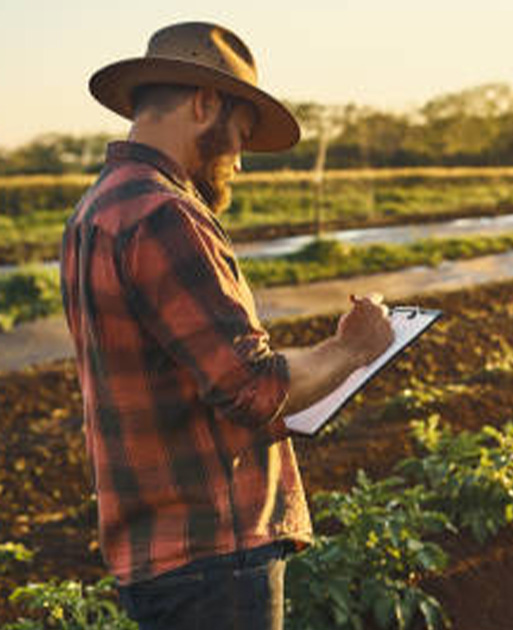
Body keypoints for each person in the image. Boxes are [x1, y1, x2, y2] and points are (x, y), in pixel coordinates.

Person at [60, 22, 394, 629]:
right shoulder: (166, 214)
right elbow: (253, 387)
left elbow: (195, 372)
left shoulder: (95, 209)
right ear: (204, 104)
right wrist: (353, 348)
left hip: (156, 554)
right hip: (214, 554)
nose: (239, 160)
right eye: (239, 135)